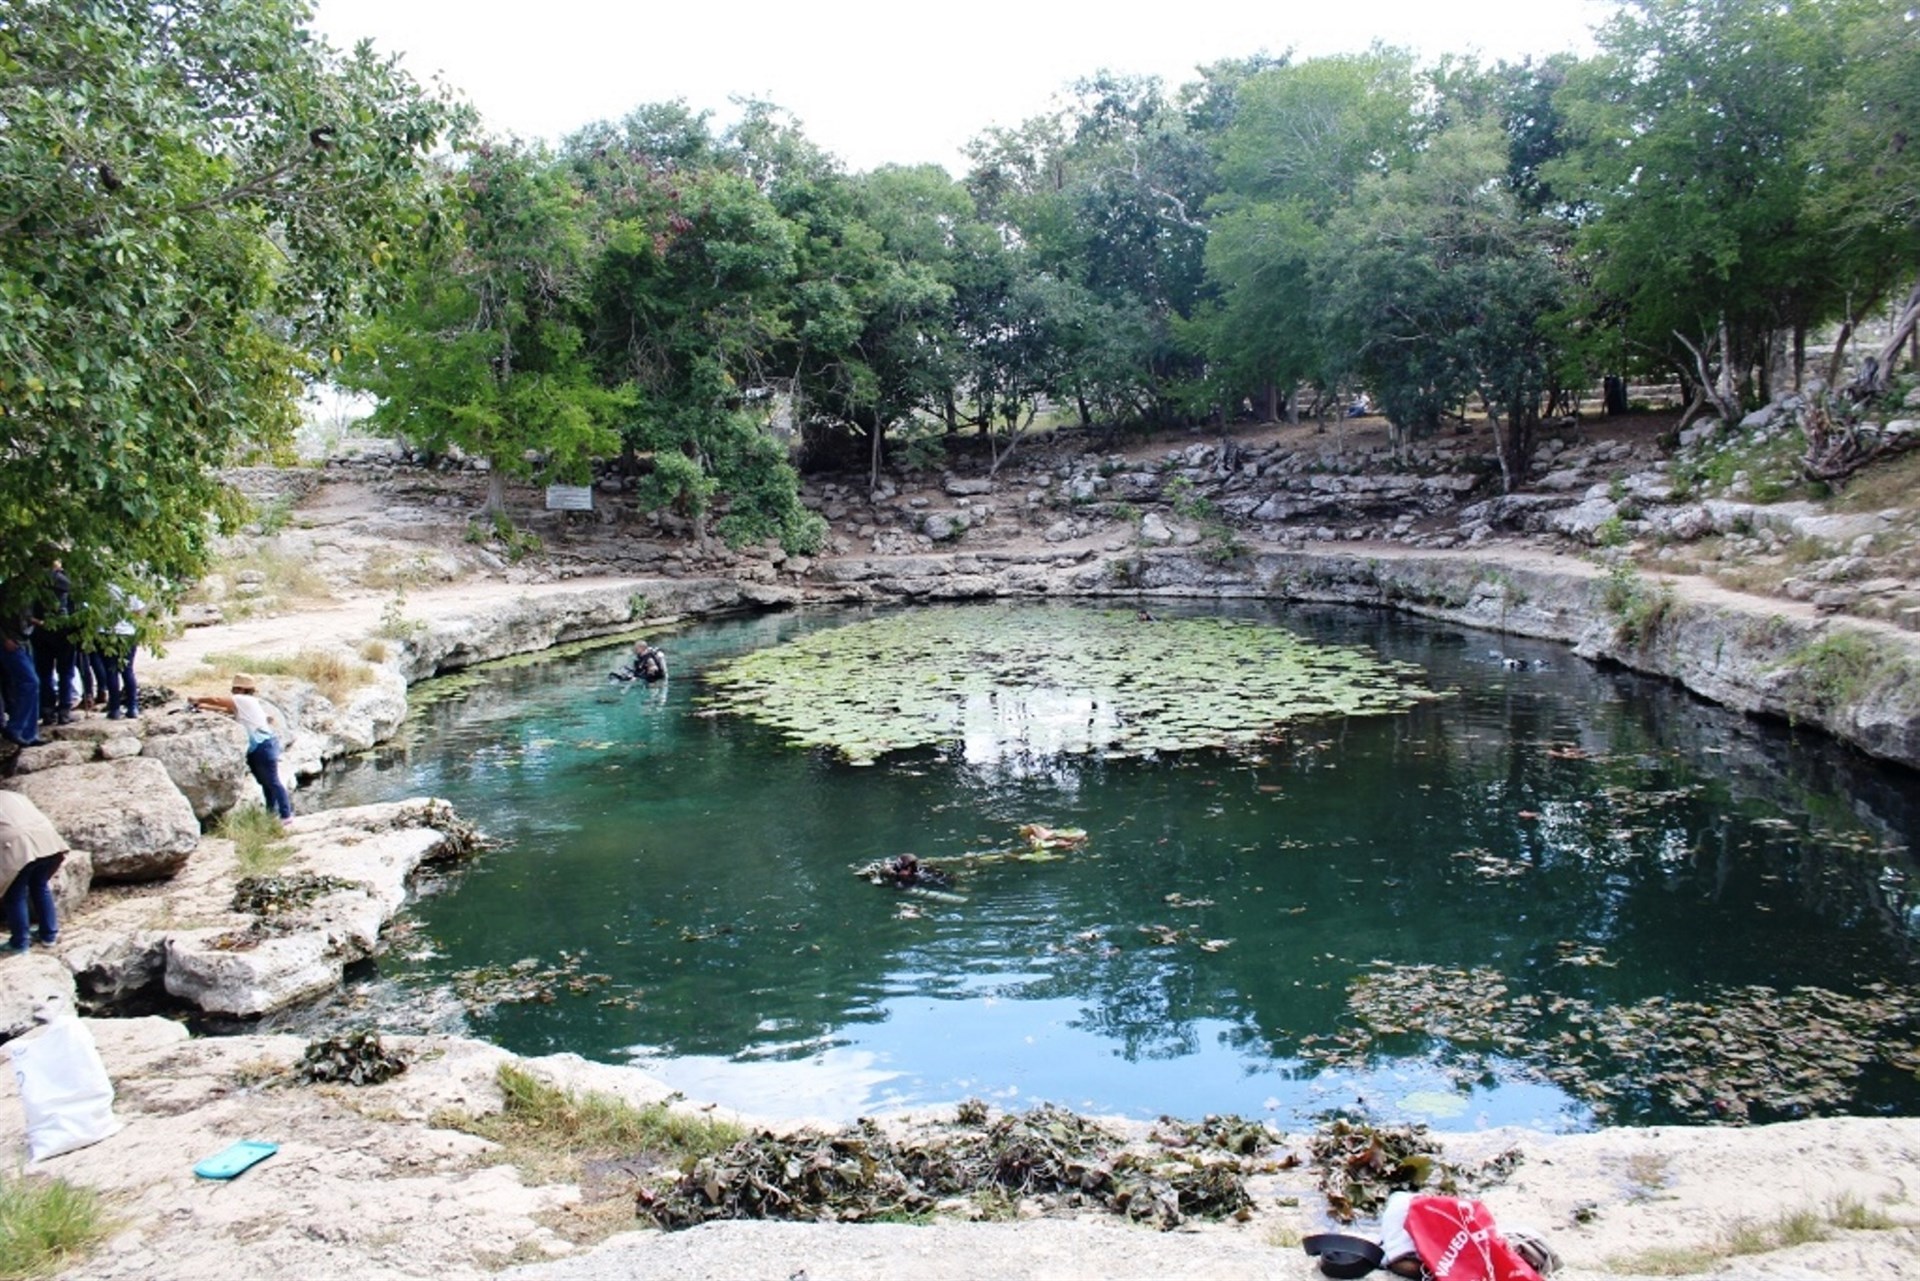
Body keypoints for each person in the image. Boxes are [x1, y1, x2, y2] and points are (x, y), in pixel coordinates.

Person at [189, 674, 293, 820]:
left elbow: (218, 700)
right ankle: (272, 815)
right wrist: (203, 707)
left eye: (235, 689)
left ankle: (286, 815)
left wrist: (198, 699)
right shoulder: (249, 702)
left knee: (272, 781)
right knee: (266, 782)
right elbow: (226, 709)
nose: (233, 692)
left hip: (262, 745)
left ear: (240, 689)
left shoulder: (243, 699)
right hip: (263, 745)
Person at [1, 790, 68, 953]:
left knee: (14, 894)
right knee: (39, 885)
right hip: (48, 841)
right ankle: (49, 934)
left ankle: (20, 943)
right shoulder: (12, 795)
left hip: (21, 846)